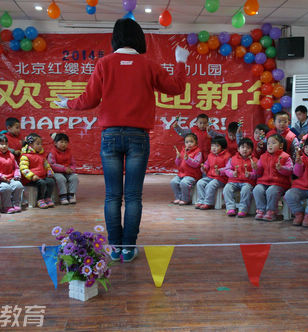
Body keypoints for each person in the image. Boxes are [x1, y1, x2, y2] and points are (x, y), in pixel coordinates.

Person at [55, 18, 188, 263]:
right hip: (138, 137)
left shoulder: (104, 63)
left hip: (110, 136)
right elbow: (176, 87)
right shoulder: (148, 65)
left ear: (115, 38)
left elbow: (89, 99)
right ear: (139, 38)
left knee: (112, 196)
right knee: (134, 196)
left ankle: (115, 248)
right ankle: (128, 248)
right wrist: (181, 61)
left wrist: (67, 103)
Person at [253, 134, 293, 221]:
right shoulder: (263, 156)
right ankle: (261, 210)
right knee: (257, 189)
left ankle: (271, 211)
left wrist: (281, 168)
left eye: (273, 143)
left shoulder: (285, 156)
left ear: (281, 145)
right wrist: (255, 168)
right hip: (264, 182)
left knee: (271, 191)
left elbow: (290, 170)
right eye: (268, 143)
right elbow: (258, 173)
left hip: (279, 183)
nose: (270, 145)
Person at [0, 134, 24, 214]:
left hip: (10, 178)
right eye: (1, 144)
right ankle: (6, 206)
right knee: (6, 188)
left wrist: (17, 175)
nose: (4, 146)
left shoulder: (11, 155)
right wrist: (0, 176)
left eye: (6, 144)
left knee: (18, 185)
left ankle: (16, 204)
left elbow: (16, 167)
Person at [222, 137, 258, 218]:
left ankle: (243, 209)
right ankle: (230, 208)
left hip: (247, 182)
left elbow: (257, 174)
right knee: (227, 189)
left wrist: (250, 175)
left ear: (252, 150)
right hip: (233, 181)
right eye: (242, 147)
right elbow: (227, 169)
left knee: (246, 190)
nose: (245, 149)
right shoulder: (233, 159)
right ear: (238, 149)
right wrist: (232, 173)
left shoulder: (254, 160)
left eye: (248, 148)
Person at [20, 133, 55, 209]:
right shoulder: (25, 156)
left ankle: (47, 197)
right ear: (31, 145)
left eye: (41, 144)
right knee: (41, 183)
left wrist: (49, 172)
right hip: (30, 179)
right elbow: (24, 168)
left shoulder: (41, 155)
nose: (40, 146)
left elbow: (47, 166)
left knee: (51, 181)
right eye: (38, 144)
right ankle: (40, 199)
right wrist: (31, 176)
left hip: (42, 176)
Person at [195, 136, 230, 210]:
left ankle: (208, 203)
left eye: (217, 146)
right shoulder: (210, 155)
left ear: (223, 147)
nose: (214, 148)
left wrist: (220, 171)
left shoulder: (227, 156)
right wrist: (204, 168)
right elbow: (207, 164)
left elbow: (228, 168)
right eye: (212, 145)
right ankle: (201, 200)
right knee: (200, 182)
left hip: (221, 178)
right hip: (210, 176)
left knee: (210, 185)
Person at [170, 133, 202, 205]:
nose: (189, 144)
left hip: (192, 175)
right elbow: (178, 164)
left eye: (191, 142)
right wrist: (178, 158)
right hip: (182, 174)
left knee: (184, 183)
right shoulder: (183, 151)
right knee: (173, 182)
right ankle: (178, 198)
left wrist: (188, 159)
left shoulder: (198, 152)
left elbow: (196, 164)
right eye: (187, 142)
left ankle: (185, 199)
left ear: (196, 142)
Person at [47, 133, 79, 205]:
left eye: (65, 142)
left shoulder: (69, 152)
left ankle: (71, 195)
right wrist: (64, 169)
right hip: (56, 172)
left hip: (67, 171)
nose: (64, 144)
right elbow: (52, 165)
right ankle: (63, 196)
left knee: (74, 177)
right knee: (61, 178)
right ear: (55, 143)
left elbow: (73, 163)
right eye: (61, 142)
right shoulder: (52, 153)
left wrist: (71, 169)